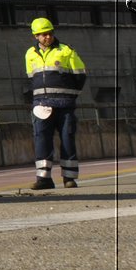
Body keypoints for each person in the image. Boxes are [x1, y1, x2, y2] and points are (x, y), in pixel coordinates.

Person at [25, 17, 88, 190]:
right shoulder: (30, 54)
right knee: (41, 140)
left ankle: (69, 178)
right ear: (36, 36)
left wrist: (71, 97)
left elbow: (80, 75)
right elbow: (32, 79)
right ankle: (43, 178)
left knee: (67, 139)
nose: (47, 37)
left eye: (50, 33)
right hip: (41, 105)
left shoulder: (66, 51)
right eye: (43, 34)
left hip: (64, 105)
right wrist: (37, 99)